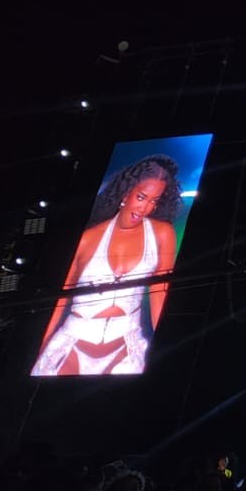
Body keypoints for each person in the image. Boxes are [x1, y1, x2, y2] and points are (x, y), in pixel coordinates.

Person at [32, 155, 182, 376]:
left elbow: (160, 295)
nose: (145, 208)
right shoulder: (86, 239)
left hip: (127, 346)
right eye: (141, 197)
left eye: (154, 201)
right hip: (71, 345)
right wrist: (35, 351)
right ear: (125, 192)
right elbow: (58, 301)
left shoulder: (162, 233)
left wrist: (168, 351)